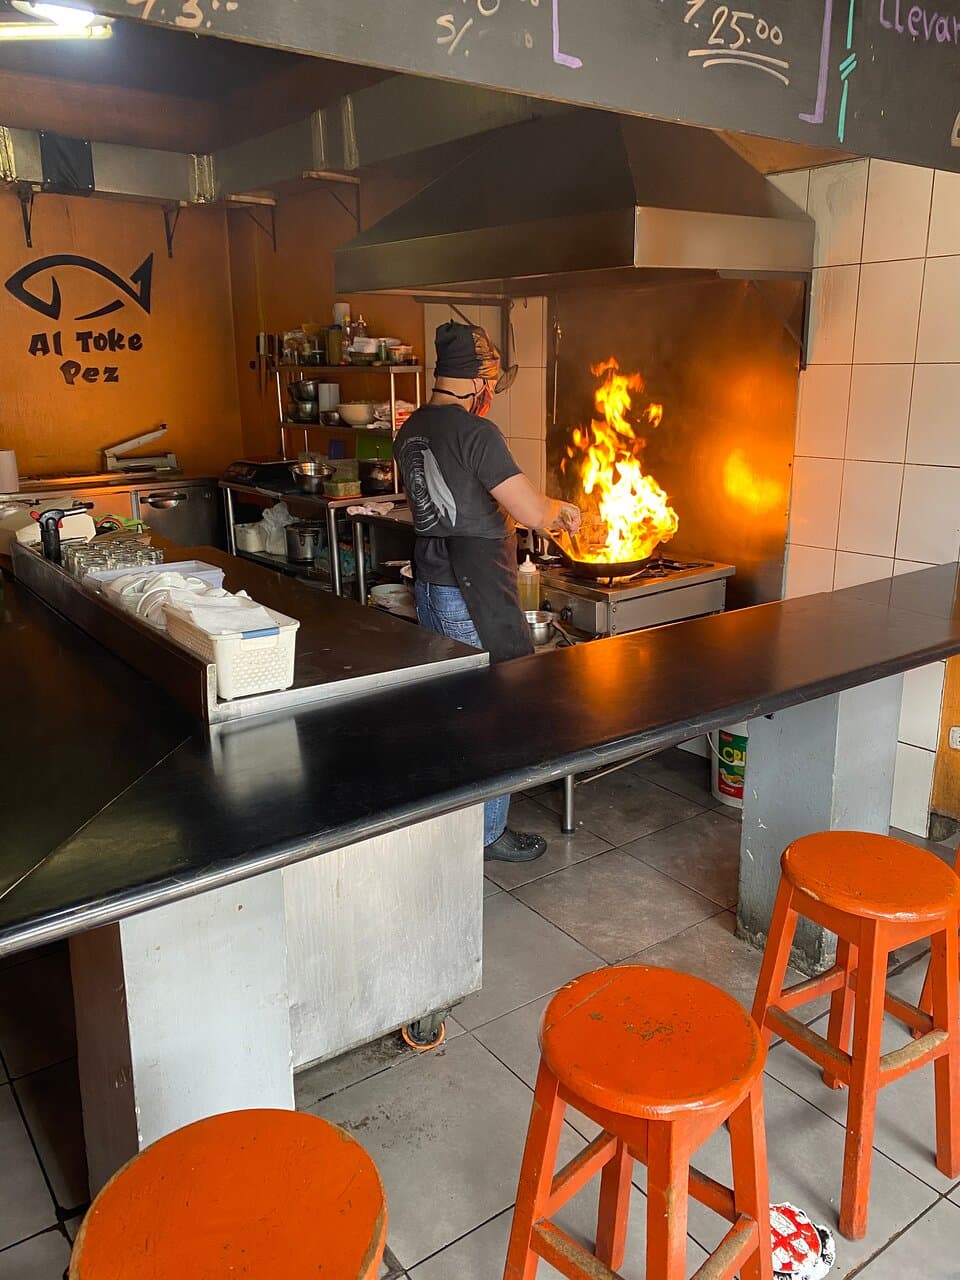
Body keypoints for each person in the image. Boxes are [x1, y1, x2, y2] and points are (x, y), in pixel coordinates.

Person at [395, 321, 581, 864]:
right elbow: (529, 510)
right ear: (479, 383)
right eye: (489, 385)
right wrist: (562, 512)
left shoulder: (412, 427)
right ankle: (486, 833)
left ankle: (450, 825)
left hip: (431, 584)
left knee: (452, 712)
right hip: (472, 591)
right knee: (495, 714)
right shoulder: (478, 434)